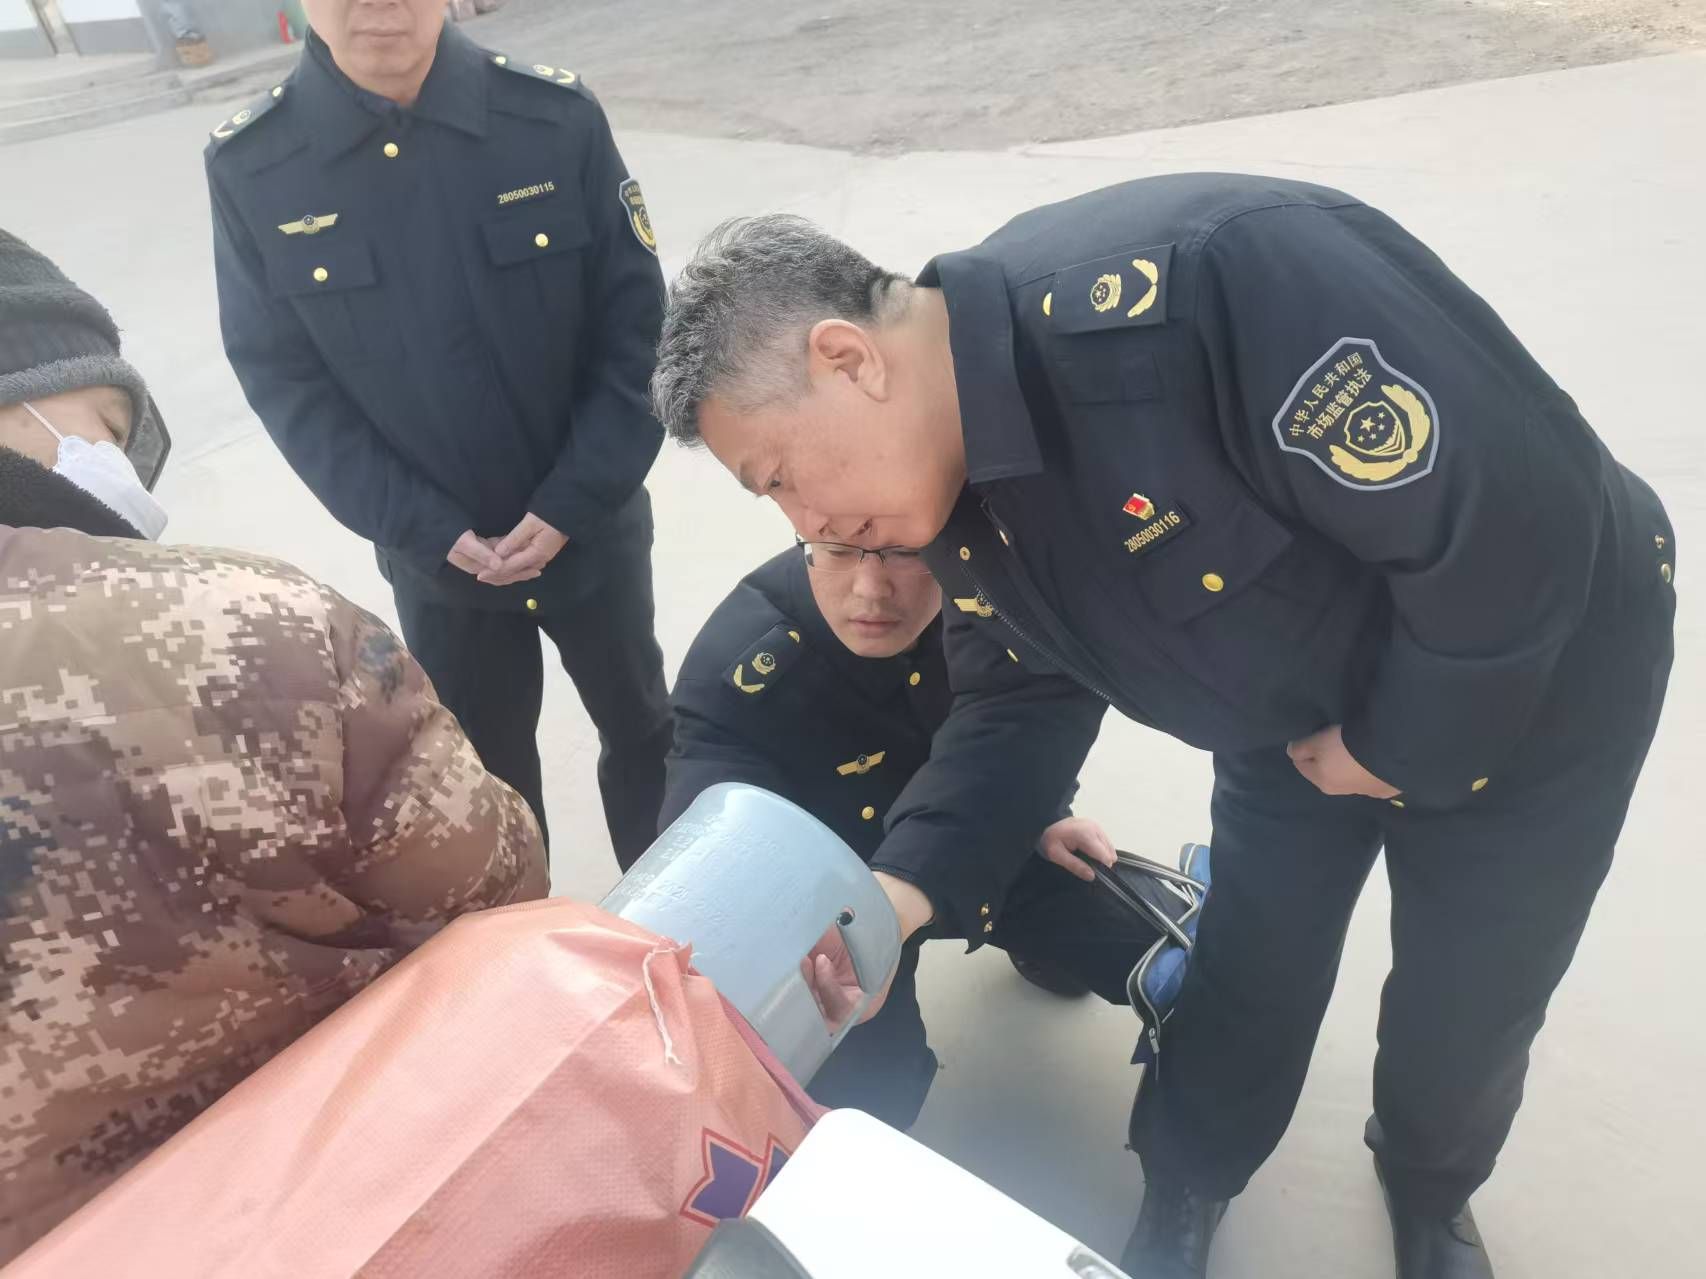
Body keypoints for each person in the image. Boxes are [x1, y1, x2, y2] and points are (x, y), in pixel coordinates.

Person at [648, 184, 1676, 1279]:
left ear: (848, 358)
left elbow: (1519, 521)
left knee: (1472, 992)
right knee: (1249, 966)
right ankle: (1190, 1176)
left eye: (779, 477)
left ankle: (1429, 1186)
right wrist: (895, 901)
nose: (804, 524)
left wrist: (1388, 749)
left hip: (1535, 681)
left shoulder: (1207, 290)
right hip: (1288, 719)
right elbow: (1013, 700)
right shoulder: (947, 498)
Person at [0, 229, 548, 1261]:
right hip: (371, 1211)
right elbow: (499, 895)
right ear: (30, 384)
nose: (121, 460)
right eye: (108, 425)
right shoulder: (249, 627)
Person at [204, 0, 672, 868]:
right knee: (485, 786)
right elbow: (285, 379)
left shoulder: (553, 118)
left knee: (645, 730)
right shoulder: (256, 165)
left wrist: (576, 498)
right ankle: (519, 944)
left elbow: (638, 332)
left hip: (593, 529)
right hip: (440, 565)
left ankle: (673, 923)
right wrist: (417, 523)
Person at [663, 538, 1197, 1129]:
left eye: (902, 552)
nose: (872, 589)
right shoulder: (738, 664)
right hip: (833, 923)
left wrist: (1044, 812)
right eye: (838, 549)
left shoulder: (994, 600)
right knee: (864, 1106)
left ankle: (1179, 1156)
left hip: (975, 841)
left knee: (1182, 962)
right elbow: (712, 865)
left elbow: (1023, 724)